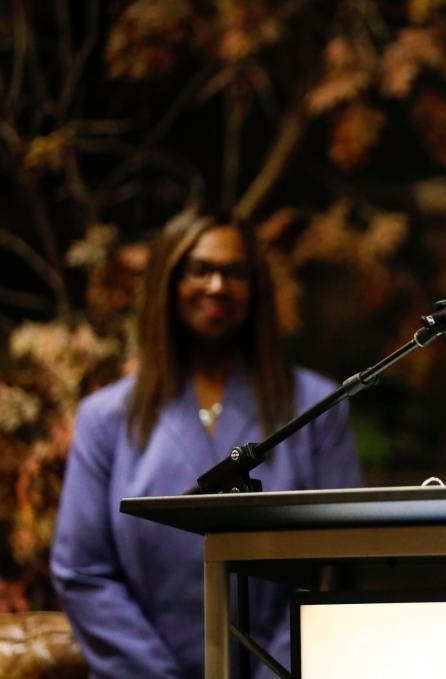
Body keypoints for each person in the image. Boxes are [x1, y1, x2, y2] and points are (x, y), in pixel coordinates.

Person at [51, 210, 363, 678]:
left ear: (255, 289)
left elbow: (340, 557)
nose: (217, 286)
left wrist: (275, 669)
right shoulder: (106, 418)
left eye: (234, 273)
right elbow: (83, 572)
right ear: (168, 283)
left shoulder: (315, 406)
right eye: (199, 269)